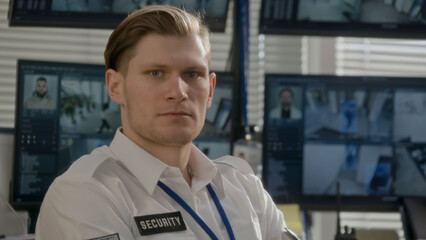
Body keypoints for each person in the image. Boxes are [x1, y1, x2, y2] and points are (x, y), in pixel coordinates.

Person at [35, 5, 299, 240]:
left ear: (210, 91)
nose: (178, 91)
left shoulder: (245, 187)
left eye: (192, 74)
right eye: (156, 73)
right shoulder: (84, 194)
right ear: (115, 87)